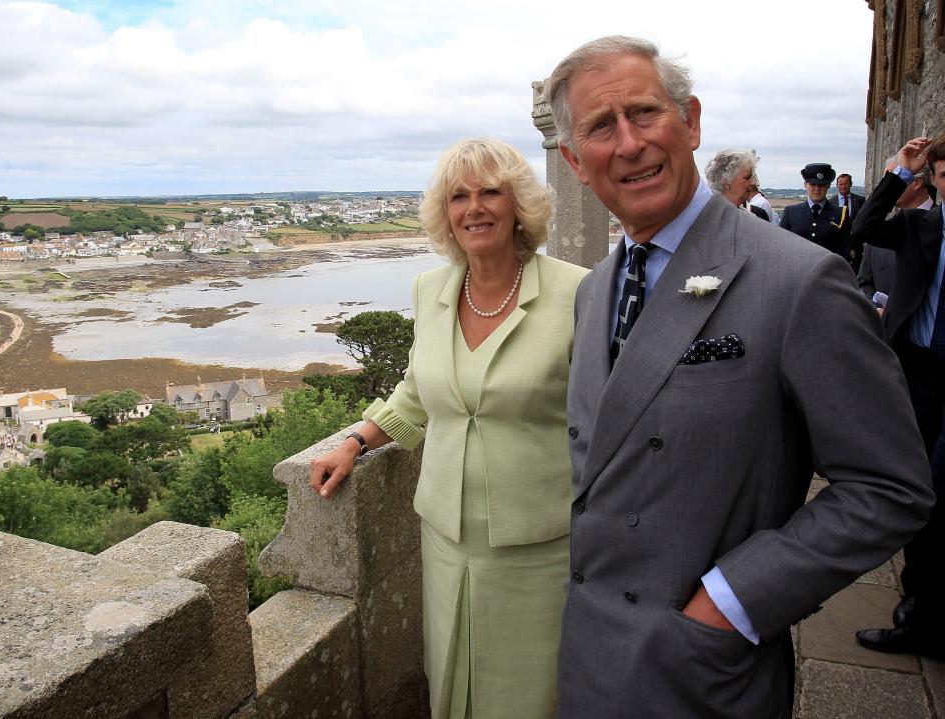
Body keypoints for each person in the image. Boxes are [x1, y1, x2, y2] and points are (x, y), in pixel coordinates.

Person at [547, 35, 933, 717]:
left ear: (690, 121)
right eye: (602, 127)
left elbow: (889, 486)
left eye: (645, 112)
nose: (630, 143)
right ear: (577, 161)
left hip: (701, 672)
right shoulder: (594, 289)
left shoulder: (798, 279)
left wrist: (729, 603)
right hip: (588, 658)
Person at [308, 138, 588, 719]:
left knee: (529, 693)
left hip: (538, 542)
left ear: (519, 206)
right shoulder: (429, 290)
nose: (474, 208)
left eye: (491, 192)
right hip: (444, 534)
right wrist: (356, 440)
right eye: (459, 196)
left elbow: (609, 413)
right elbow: (418, 391)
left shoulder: (576, 292)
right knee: (451, 682)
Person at [850, 134, 945, 660]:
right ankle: (919, 608)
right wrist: (901, 172)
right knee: (922, 490)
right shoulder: (922, 226)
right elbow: (863, 229)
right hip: (923, 372)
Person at [857, 156, 937, 311]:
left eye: (894, 180)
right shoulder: (880, 231)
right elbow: (863, 283)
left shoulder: (940, 226)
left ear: (916, 182)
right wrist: (876, 310)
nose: (886, 188)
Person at [780, 163, 858, 269]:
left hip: (830, 276)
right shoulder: (790, 213)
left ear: (828, 186)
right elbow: (782, 249)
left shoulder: (841, 214)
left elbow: (846, 252)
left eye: (821, 185)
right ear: (805, 185)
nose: (817, 188)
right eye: (812, 184)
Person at [703, 149, 769, 220]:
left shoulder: (758, 215)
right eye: (747, 178)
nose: (753, 183)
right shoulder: (704, 217)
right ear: (727, 181)